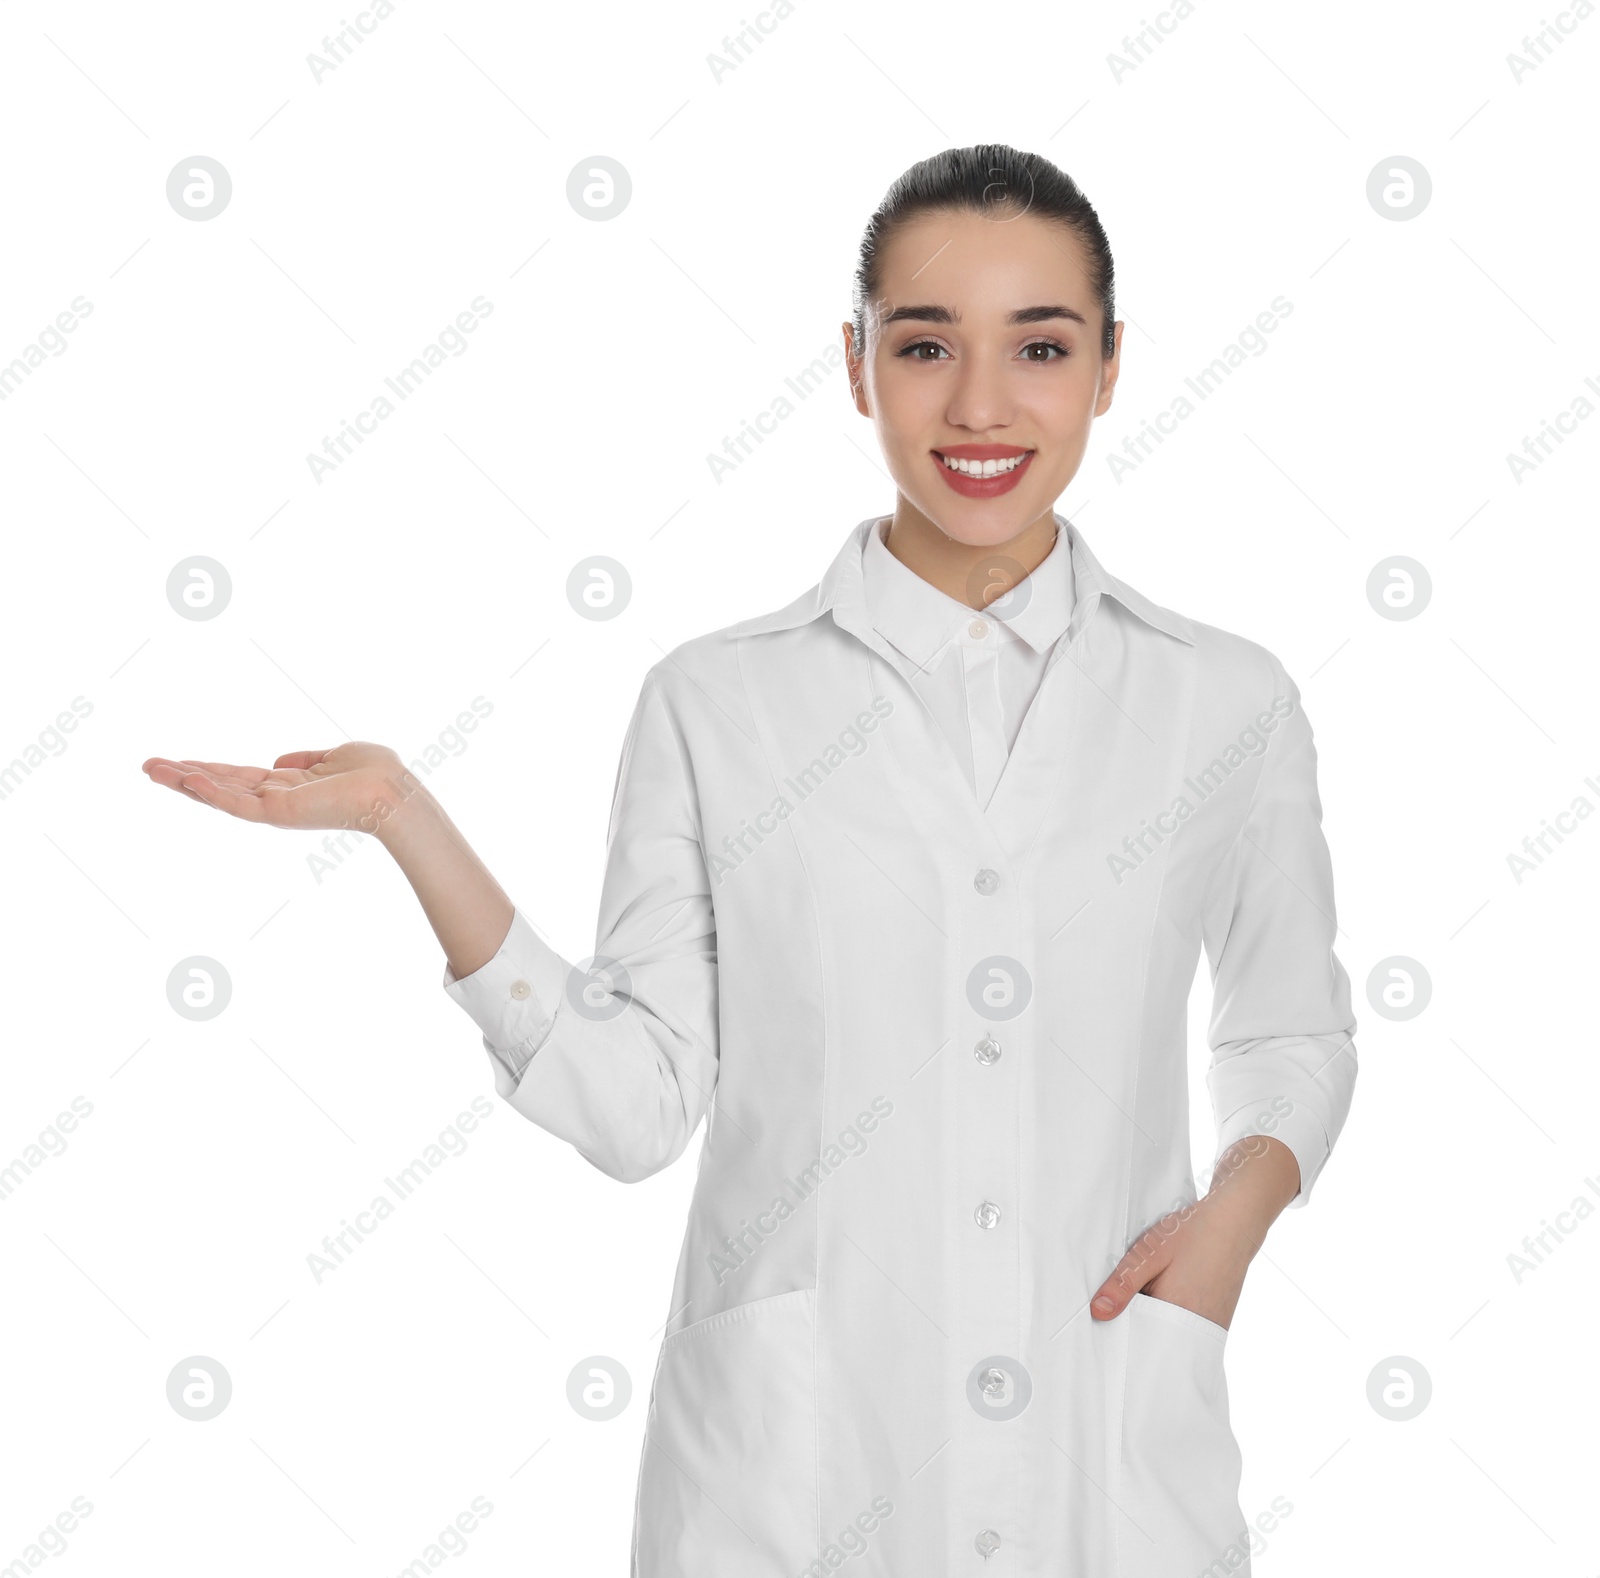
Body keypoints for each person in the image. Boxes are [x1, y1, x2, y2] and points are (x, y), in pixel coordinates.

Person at [143, 144, 1357, 1577]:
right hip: (790, 1488)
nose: (980, 404)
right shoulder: (717, 703)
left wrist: (1237, 1213)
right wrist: (411, 820)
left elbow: (1291, 1027)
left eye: (1040, 345)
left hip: (1110, 1458)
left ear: (1107, 368)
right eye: (924, 345)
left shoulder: (1225, 703)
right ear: (854, 367)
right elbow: (637, 1104)